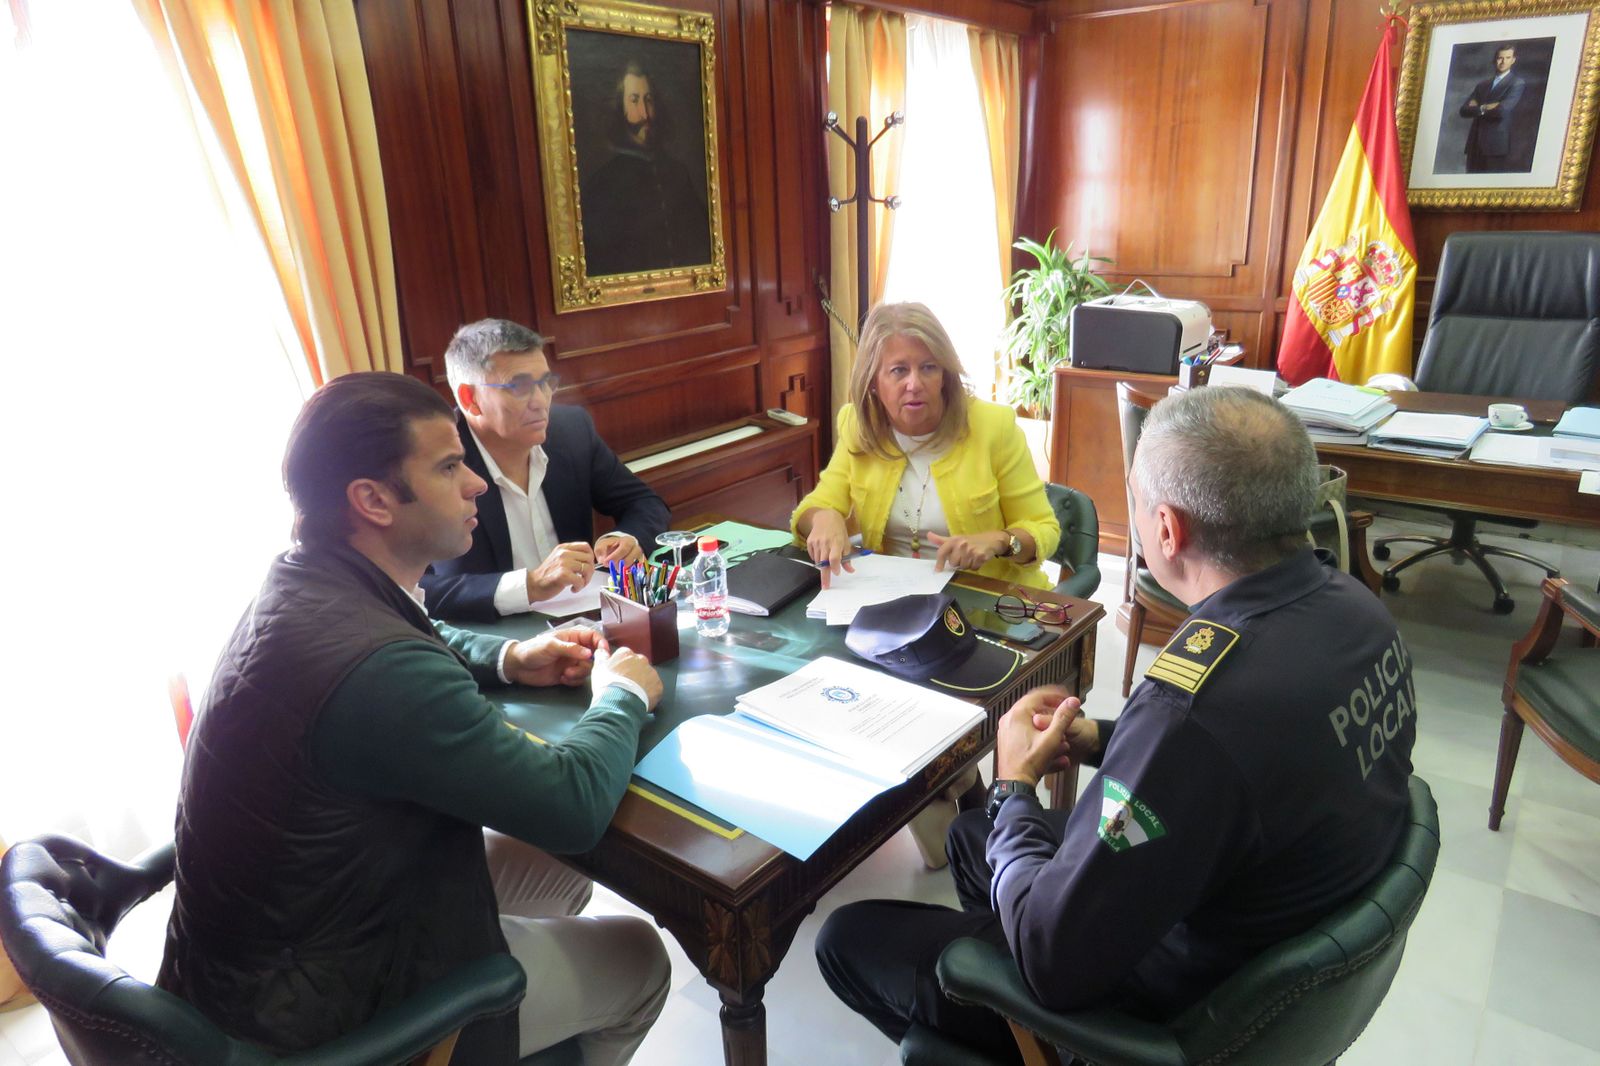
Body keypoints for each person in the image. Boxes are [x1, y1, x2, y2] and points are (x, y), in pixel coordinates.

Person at [814, 386, 1417, 1062]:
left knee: (846, 939)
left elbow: (1053, 956)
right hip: (1255, 924)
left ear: (1167, 529)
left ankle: (1016, 1026)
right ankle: (994, 954)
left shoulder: (1189, 708)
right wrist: (1101, 739)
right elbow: (1247, 761)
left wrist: (1013, 784)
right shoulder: (1359, 612)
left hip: (1161, 1008)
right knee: (968, 834)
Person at [158, 372, 671, 1065]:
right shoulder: (377, 669)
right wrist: (622, 696)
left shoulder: (304, 579)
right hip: (324, 1007)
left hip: (261, 952)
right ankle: (464, 1027)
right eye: (449, 466)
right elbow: (573, 806)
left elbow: (420, 630)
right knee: (639, 957)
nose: (477, 486)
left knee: (556, 871)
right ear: (372, 500)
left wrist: (513, 656)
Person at [792, 301, 1061, 868]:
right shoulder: (855, 427)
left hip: (987, 608)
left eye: (928, 367)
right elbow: (821, 502)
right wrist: (826, 519)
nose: (916, 385)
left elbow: (1045, 529)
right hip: (896, 608)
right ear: (873, 380)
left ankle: (956, 810)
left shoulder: (990, 426)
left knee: (930, 704)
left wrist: (998, 540)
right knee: (844, 690)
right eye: (898, 370)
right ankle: (949, 805)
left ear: (947, 371)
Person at [422, 318, 670, 622]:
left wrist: (627, 539)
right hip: (493, 638)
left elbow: (644, 502)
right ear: (470, 399)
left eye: (546, 383)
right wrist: (528, 586)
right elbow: (416, 588)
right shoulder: (432, 461)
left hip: (583, 619)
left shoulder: (571, 430)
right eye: (520, 387)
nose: (541, 402)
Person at [580, 61, 713, 276]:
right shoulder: (603, 184)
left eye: (648, 100)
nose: (645, 114)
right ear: (619, 108)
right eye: (634, 101)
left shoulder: (677, 172)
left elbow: (705, 246)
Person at [1460, 43, 1526, 173]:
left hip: (1495, 145)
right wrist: (1485, 107)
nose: (1503, 61)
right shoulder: (1482, 85)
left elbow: (1502, 111)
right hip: (1475, 144)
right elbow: (1464, 110)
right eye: (1500, 58)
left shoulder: (1517, 83)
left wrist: (1478, 107)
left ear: (1513, 60)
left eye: (1507, 58)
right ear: (1495, 60)